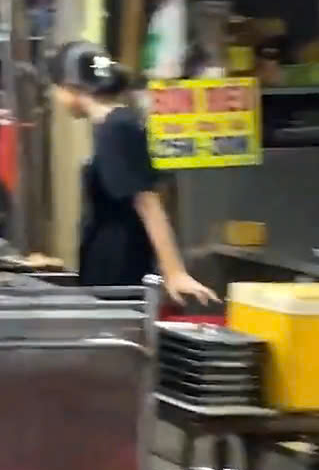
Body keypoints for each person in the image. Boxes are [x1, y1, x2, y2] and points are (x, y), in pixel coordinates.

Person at [49, 42, 216, 303]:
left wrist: (175, 272)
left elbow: (148, 202)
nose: (56, 98)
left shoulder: (116, 129)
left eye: (56, 88)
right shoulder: (114, 124)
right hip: (111, 263)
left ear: (71, 87)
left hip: (120, 268)